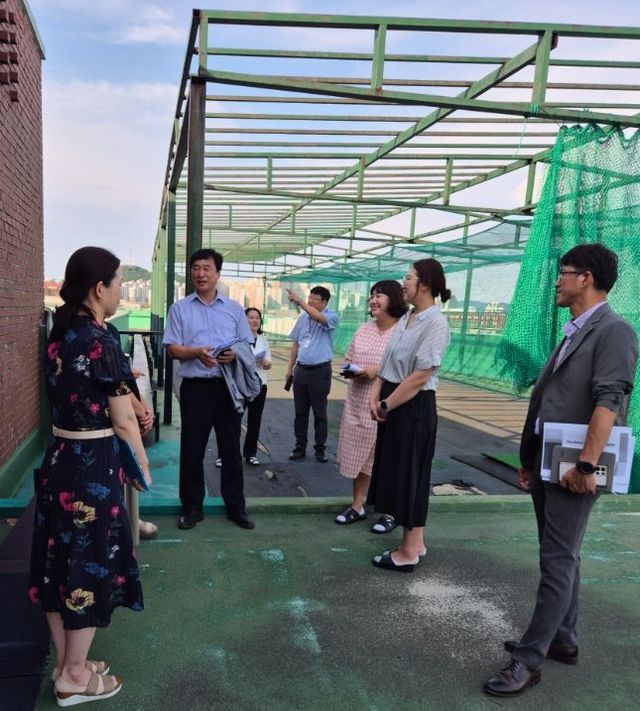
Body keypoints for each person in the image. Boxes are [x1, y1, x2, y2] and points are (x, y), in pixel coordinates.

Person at [484, 244, 638, 697]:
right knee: (561, 555)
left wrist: (586, 465)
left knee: (557, 560)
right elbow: (552, 398)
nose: (556, 280)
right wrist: (530, 459)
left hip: (575, 467)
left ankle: (529, 660)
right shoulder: (576, 330)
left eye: (563, 272)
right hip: (551, 464)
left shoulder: (614, 331)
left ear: (585, 278)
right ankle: (564, 640)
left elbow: (609, 402)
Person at [29, 247, 150, 706]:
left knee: (59, 564)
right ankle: (75, 676)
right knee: (89, 564)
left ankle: (66, 665)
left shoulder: (60, 334)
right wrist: (140, 467)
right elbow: (124, 419)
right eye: (117, 284)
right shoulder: (100, 340)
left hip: (61, 458)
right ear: (100, 289)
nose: (119, 293)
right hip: (93, 463)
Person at [367, 259, 451, 572]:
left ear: (425, 283)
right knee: (401, 474)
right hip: (395, 401)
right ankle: (416, 542)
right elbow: (388, 362)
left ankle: (407, 552)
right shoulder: (408, 317)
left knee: (409, 476)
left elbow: (420, 376)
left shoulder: (435, 323)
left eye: (409, 277)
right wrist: (377, 394)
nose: (403, 283)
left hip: (413, 407)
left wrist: (386, 405)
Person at [163, 248, 255, 531]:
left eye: (206, 268)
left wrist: (233, 354)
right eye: (196, 268)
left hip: (228, 388)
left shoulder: (234, 309)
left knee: (231, 450)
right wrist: (195, 353)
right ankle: (192, 508)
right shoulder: (179, 309)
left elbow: (246, 343)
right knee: (192, 450)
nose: (200, 274)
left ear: (217, 274)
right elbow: (172, 348)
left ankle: (236, 507)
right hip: (195, 389)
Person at [335, 281, 407, 533]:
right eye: (372, 296)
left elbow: (407, 368)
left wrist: (376, 370)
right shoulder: (364, 329)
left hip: (388, 403)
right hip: (358, 401)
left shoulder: (403, 331)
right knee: (361, 456)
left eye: (380, 295)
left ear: (394, 299)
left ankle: (390, 512)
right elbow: (347, 359)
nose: (373, 300)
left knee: (387, 457)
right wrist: (350, 370)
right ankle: (357, 505)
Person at [105, 321, 158, 540]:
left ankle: (130, 520)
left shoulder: (108, 331)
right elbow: (116, 387)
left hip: (113, 419)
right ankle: (124, 526)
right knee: (116, 477)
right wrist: (142, 411)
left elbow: (121, 378)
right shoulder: (97, 339)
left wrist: (142, 407)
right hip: (102, 427)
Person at [285, 286, 340, 462]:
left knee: (320, 413)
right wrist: (290, 369)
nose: (310, 301)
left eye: (315, 298)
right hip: (301, 370)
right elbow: (296, 343)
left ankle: (320, 449)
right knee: (300, 413)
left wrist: (299, 301)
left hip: (320, 371)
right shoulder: (302, 318)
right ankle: (299, 447)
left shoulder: (331, 316)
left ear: (324, 302)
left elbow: (319, 318)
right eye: (310, 297)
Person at [215, 307, 272, 467]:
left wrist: (265, 363)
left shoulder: (263, 340)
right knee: (232, 421)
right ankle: (224, 454)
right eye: (250, 317)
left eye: (257, 318)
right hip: (240, 385)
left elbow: (269, 363)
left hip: (260, 385)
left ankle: (250, 454)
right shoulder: (237, 341)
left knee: (255, 421)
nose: (254, 320)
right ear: (243, 321)